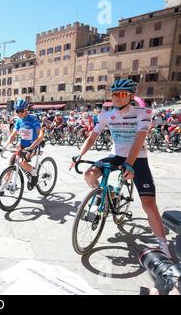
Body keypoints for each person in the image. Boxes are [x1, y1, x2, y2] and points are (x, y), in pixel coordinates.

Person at [71, 79, 171, 257]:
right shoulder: (106, 115)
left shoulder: (143, 112)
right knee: (89, 174)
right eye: (115, 94)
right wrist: (79, 155)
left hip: (138, 158)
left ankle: (163, 246)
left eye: (123, 94)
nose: (117, 98)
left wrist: (129, 163)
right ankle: (105, 194)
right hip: (116, 154)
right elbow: (92, 138)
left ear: (131, 96)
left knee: (149, 205)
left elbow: (140, 138)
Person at [0, 100, 45, 195]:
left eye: (20, 111)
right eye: (17, 111)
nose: (18, 113)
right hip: (22, 145)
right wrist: (5, 146)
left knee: (22, 163)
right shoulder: (18, 120)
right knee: (11, 163)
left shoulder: (33, 119)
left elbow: (40, 136)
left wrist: (31, 147)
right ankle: (2, 188)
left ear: (26, 110)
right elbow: (13, 135)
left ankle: (34, 173)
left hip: (33, 145)